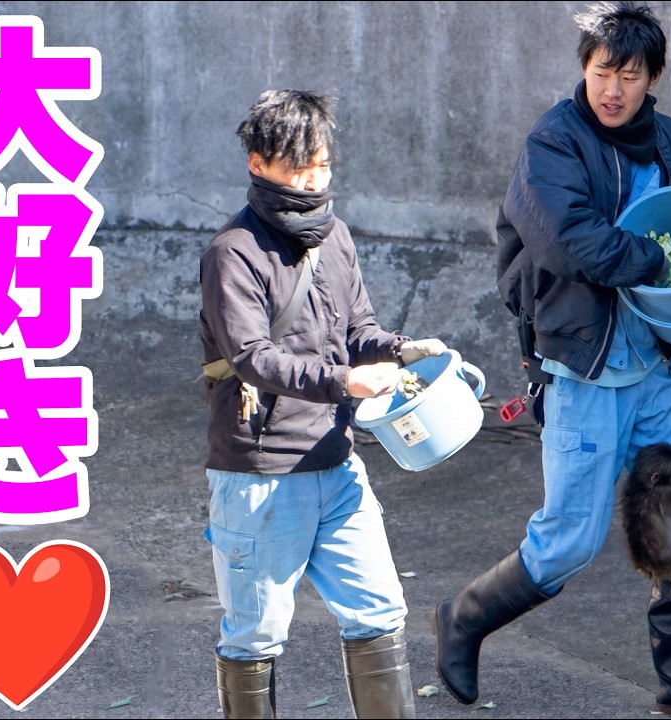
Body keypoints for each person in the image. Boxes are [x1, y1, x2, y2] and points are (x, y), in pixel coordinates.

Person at [432, 3, 671, 718]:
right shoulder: (552, 146)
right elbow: (570, 242)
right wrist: (656, 257)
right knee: (570, 541)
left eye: (629, 75)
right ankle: (463, 618)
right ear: (583, 71)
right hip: (581, 371)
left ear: (653, 78)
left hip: (653, 370)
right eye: (601, 73)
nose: (613, 90)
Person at [199, 89, 446, 720]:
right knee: (255, 636)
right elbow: (254, 356)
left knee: (380, 612)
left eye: (322, 166)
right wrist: (346, 383)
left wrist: (402, 348)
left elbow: (356, 328)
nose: (313, 182)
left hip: (337, 464)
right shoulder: (233, 253)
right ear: (258, 163)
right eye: (297, 167)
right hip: (261, 474)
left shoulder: (334, 236)